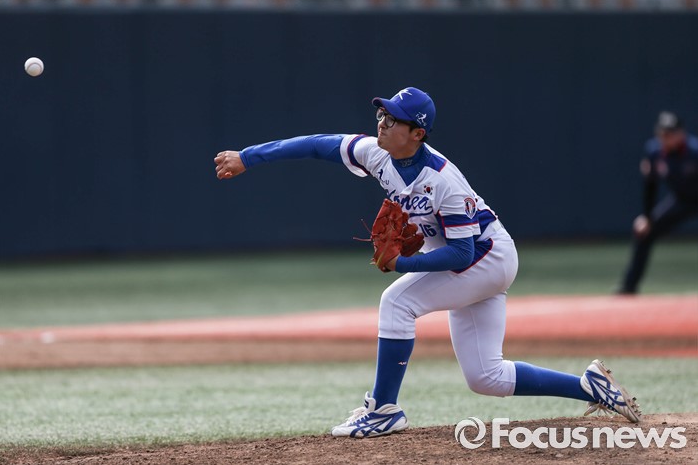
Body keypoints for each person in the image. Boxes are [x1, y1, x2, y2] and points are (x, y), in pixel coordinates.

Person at [214, 87, 641, 438]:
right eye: (382, 114)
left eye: (393, 119)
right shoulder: (377, 153)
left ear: (417, 133)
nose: (382, 123)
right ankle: (590, 387)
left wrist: (401, 264)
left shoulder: (442, 180)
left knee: (397, 302)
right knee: (486, 377)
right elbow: (316, 145)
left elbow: (462, 254)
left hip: (486, 257)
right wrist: (249, 157)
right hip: (475, 260)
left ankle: (383, 409)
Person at [618, 111, 698, 295]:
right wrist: (647, 217)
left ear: (681, 133)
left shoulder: (695, 152)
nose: (666, 137)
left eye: (670, 133)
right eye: (662, 133)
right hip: (682, 200)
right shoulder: (654, 152)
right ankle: (629, 287)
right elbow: (650, 186)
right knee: (644, 233)